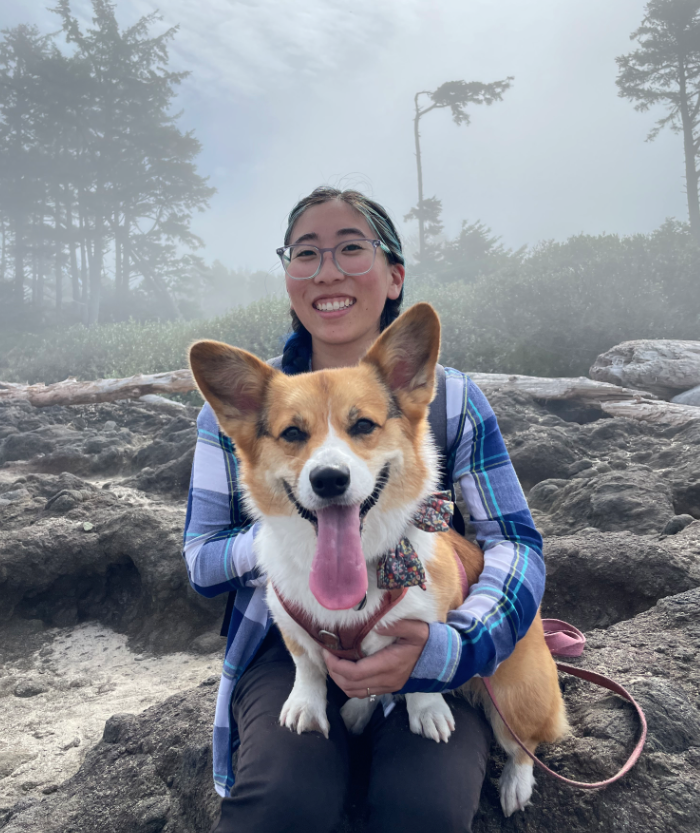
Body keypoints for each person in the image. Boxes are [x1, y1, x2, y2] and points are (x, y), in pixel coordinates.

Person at [183, 186, 545, 833]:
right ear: (289, 275)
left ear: (394, 275)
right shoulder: (244, 408)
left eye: (351, 248)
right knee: (279, 805)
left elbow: (515, 542)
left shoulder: (453, 399)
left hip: (428, 632)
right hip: (291, 644)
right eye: (306, 253)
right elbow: (203, 561)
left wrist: (455, 646)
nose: (327, 271)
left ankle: (515, 751)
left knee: (424, 808)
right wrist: (282, 539)